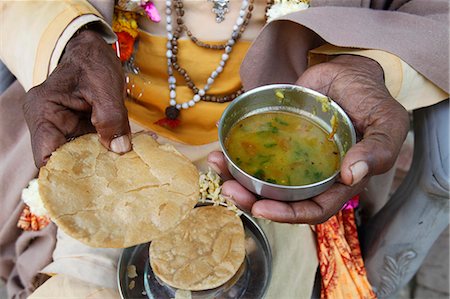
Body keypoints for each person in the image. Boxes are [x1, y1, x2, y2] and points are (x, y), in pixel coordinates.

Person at [0, 0, 448, 298]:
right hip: (113, 137)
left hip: (277, 155)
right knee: (80, 284)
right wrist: (71, 43)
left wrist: (373, 67)